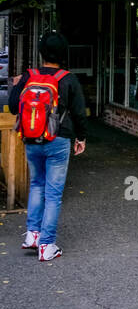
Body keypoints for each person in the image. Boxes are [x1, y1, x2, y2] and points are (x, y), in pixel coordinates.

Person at [10, 32, 87, 261]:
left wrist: (18, 85)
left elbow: (15, 107)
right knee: (53, 194)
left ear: (41, 53)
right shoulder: (68, 78)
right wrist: (80, 138)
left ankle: (32, 235)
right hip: (58, 140)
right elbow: (79, 113)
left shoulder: (29, 76)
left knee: (37, 185)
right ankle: (47, 244)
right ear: (63, 54)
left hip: (31, 140)